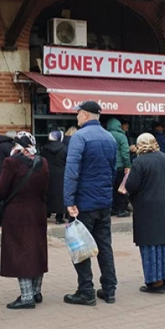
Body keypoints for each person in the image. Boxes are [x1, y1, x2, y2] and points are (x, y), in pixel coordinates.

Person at [63, 100, 118, 306]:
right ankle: (109, 289)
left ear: (85, 115)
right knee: (105, 246)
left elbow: (72, 172)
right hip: (104, 201)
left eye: (78, 113)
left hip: (84, 202)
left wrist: (69, 200)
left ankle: (86, 290)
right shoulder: (110, 138)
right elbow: (113, 170)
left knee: (80, 245)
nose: (76, 117)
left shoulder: (80, 137)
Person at [124, 133, 165, 293]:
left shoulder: (139, 162)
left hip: (149, 207)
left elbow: (131, 186)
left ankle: (155, 282)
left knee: (152, 243)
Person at [0, 132, 49, 309]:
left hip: (17, 214)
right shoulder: (43, 162)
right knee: (37, 249)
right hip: (38, 211)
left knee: (21, 252)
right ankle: (36, 291)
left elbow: (1, 190)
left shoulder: (11, 162)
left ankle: (26, 296)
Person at [40, 130, 68, 224]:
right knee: (60, 195)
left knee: (47, 193)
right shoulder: (64, 149)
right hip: (61, 174)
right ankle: (59, 217)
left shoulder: (44, 149)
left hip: (47, 172)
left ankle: (45, 213)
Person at [106, 118, 131, 218]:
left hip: (108, 167)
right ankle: (121, 210)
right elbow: (125, 152)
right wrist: (128, 165)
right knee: (121, 189)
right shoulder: (121, 136)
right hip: (120, 167)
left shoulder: (106, 135)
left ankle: (113, 209)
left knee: (111, 189)